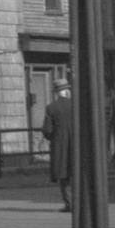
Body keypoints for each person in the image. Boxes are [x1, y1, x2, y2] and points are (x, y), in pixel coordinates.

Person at [41, 77, 73, 212]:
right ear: (67, 91)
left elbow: (47, 130)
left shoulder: (51, 108)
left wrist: (53, 138)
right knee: (76, 173)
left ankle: (69, 204)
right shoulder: (76, 105)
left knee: (63, 175)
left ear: (56, 92)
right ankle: (80, 202)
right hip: (76, 146)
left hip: (60, 147)